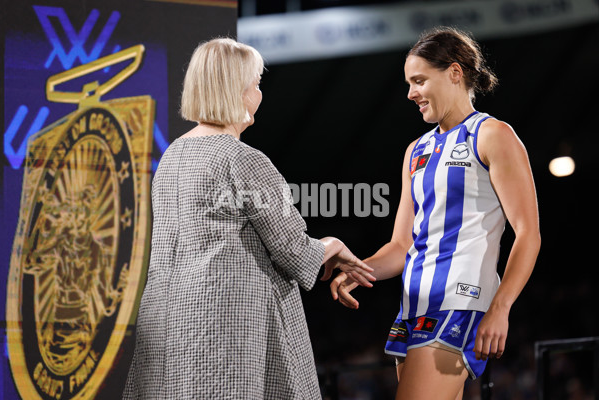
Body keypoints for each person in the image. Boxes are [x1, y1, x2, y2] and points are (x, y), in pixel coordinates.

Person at [123, 38, 376, 399]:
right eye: (255, 84)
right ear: (236, 91)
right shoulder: (244, 160)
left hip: (166, 334)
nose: (259, 94)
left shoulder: (172, 156)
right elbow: (294, 252)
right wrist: (332, 245)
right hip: (223, 335)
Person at [330, 27, 540, 400]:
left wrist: (501, 306)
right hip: (414, 308)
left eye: (419, 80)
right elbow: (401, 245)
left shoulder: (492, 135)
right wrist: (360, 269)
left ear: (455, 74)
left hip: (460, 304)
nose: (411, 93)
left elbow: (528, 233)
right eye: (409, 83)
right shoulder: (416, 151)